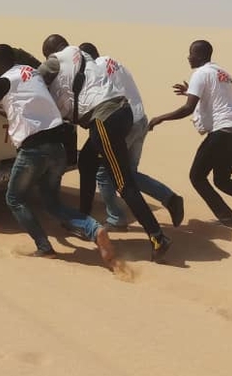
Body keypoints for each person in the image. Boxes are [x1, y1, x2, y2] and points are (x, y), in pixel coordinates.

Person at [0, 44, 117, 267]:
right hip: (58, 147)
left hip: (33, 149)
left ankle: (44, 247)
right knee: (52, 203)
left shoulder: (2, 82)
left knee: (14, 199)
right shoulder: (31, 72)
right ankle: (95, 229)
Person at [39, 35, 173, 262]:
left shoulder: (55, 61)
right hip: (121, 112)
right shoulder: (83, 55)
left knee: (122, 182)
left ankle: (158, 236)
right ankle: (83, 218)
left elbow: (35, 79)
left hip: (104, 119)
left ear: (51, 51)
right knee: (87, 161)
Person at [148, 39, 232, 229]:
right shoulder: (222, 73)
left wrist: (160, 118)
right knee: (222, 180)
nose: (188, 57)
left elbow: (188, 109)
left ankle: (227, 218)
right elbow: (216, 95)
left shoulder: (200, 73)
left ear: (201, 55)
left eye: (191, 53)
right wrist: (190, 91)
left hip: (222, 131)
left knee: (197, 176)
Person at [79, 42, 184, 231]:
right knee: (127, 174)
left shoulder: (94, 69)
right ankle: (168, 198)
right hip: (139, 119)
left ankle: (117, 217)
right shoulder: (116, 63)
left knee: (105, 172)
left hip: (122, 123)